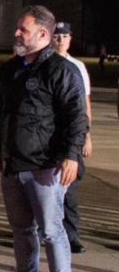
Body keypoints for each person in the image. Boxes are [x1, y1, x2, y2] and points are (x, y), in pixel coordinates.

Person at [0, 6, 87, 272]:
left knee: (51, 230)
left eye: (23, 29)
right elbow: (3, 114)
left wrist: (71, 155)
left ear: (43, 35)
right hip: (13, 164)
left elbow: (76, 116)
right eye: (18, 28)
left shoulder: (61, 70)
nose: (17, 34)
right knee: (21, 230)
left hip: (46, 166)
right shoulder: (11, 69)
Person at [51, 21, 93, 254]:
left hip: (71, 135)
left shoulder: (77, 67)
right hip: (48, 136)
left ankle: (71, 235)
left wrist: (86, 136)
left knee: (70, 190)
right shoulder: (42, 63)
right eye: (57, 36)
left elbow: (84, 105)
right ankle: (40, 232)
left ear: (70, 39)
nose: (60, 40)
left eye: (64, 36)